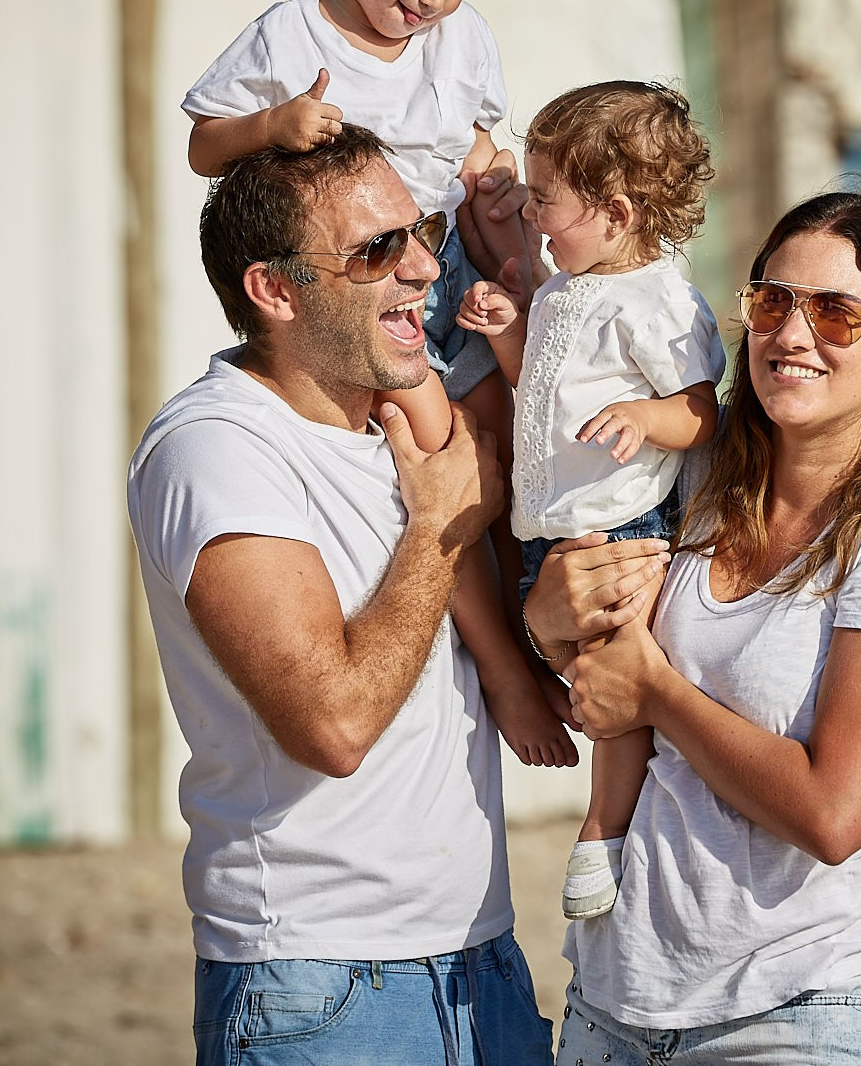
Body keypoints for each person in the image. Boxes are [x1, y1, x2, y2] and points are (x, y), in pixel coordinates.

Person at [520, 186, 861, 1064]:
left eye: (836, 312)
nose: (792, 333)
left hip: (797, 1010)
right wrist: (547, 617)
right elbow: (600, 677)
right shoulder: (698, 480)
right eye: (773, 302)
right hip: (612, 1001)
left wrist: (660, 693)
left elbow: (834, 813)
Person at [125, 131, 554, 1065]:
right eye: (376, 250)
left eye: (421, 231)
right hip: (319, 985)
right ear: (274, 291)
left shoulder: (405, 423)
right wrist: (439, 527)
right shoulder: (216, 447)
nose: (422, 267)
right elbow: (334, 722)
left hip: (481, 959)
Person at [180, 0, 573, 768]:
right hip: (366, 290)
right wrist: (272, 128)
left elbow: (474, 151)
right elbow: (203, 146)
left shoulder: (462, 42)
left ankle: (541, 633)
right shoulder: (289, 39)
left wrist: (498, 192)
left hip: (451, 266)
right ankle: (504, 665)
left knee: (513, 442)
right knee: (442, 462)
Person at [456, 81, 726, 921]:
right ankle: (644, 807)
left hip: (621, 524)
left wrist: (644, 417)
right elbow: (532, 387)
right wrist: (507, 326)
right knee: (581, 675)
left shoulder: (658, 300)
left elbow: (700, 409)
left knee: (616, 674)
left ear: (615, 213)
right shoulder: (565, 289)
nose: (532, 214)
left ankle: (604, 824)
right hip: (552, 525)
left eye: (546, 199)